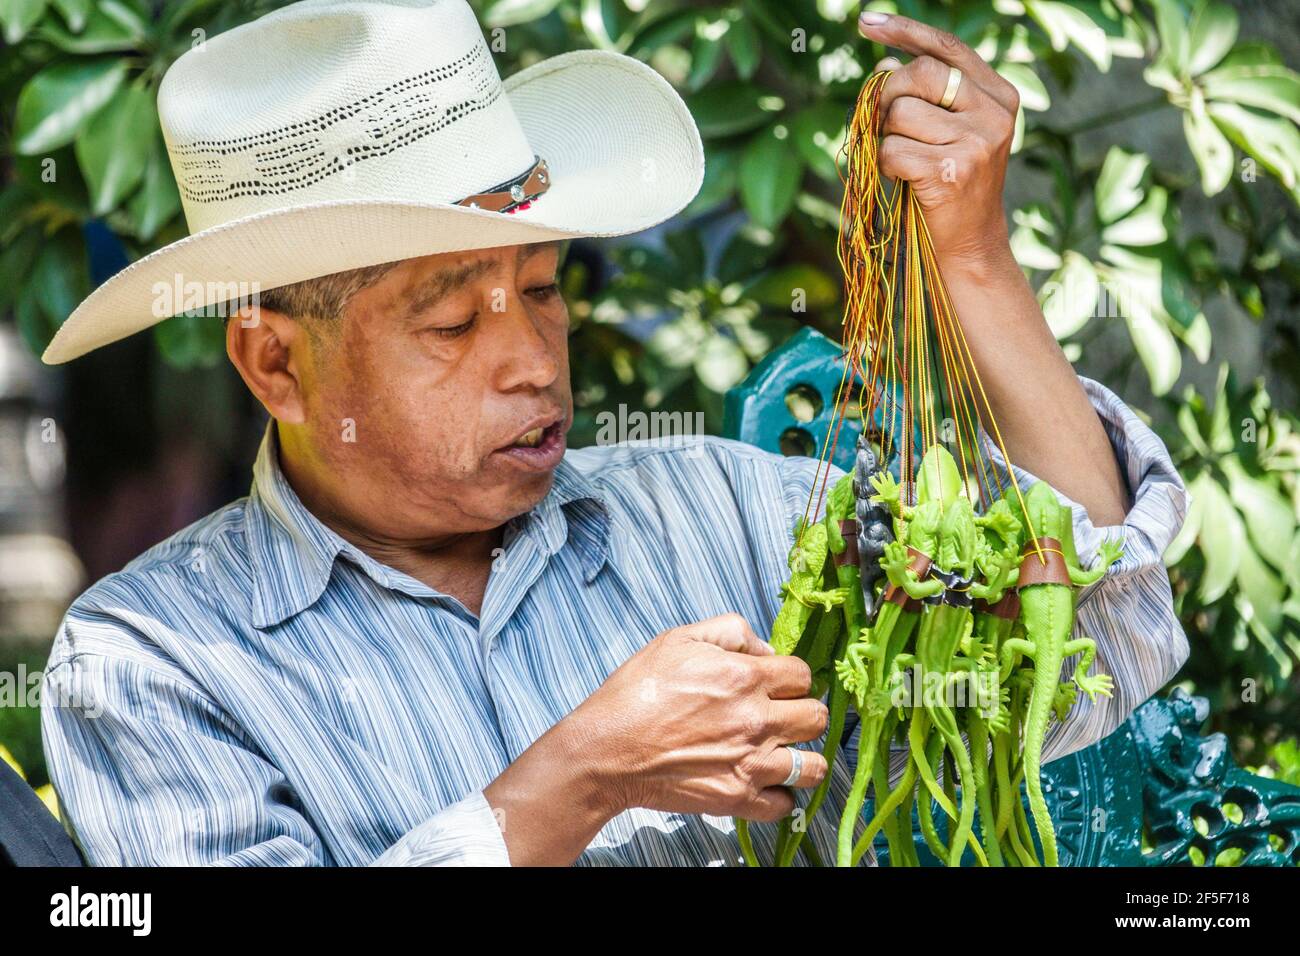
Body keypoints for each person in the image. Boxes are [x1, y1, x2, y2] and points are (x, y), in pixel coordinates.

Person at [39, 1, 1187, 866]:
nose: (532, 358)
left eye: (542, 290)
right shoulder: (152, 660)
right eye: (449, 319)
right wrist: (571, 782)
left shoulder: (721, 510)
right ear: (277, 363)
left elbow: (1101, 631)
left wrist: (973, 259)